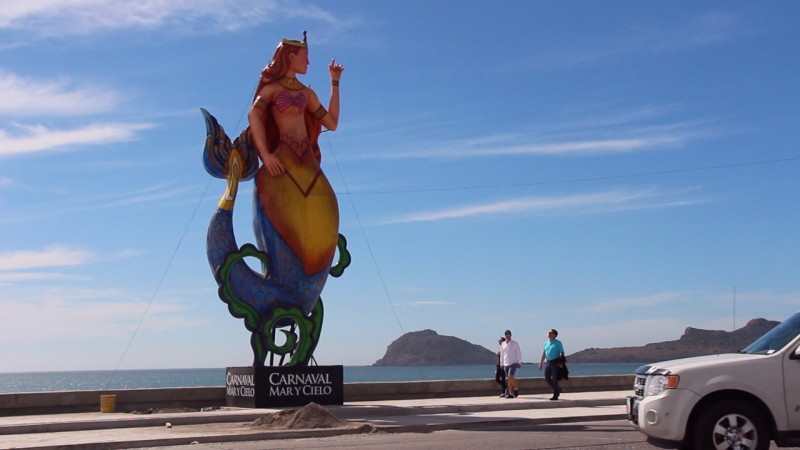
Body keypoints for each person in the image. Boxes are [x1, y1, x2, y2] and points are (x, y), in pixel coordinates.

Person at [247, 32, 344, 288]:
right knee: (276, 211)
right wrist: (266, 156)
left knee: (326, 206)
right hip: (282, 159)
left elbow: (331, 123)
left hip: (307, 162)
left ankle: (313, 269)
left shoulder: (307, 94)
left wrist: (334, 83)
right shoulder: (271, 90)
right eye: (305, 57)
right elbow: (253, 116)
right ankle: (283, 274)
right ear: (291, 57)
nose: (309, 63)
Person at [538, 328, 566, 400]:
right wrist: (540, 363)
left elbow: (562, 353)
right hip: (548, 363)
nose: (548, 334)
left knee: (554, 379)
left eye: (550, 333)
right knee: (547, 378)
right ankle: (557, 389)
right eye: (548, 333)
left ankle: (555, 395)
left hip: (555, 363)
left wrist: (561, 362)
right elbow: (544, 353)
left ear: (554, 335)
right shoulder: (546, 343)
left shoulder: (558, 343)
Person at [501, 330, 522, 398]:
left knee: (510, 376)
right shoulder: (503, 344)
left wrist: (519, 362)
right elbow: (502, 354)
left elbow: (519, 353)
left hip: (513, 362)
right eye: (505, 334)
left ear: (510, 335)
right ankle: (510, 393)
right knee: (509, 379)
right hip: (505, 363)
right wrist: (501, 363)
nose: (507, 336)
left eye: (508, 334)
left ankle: (515, 389)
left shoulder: (514, 343)